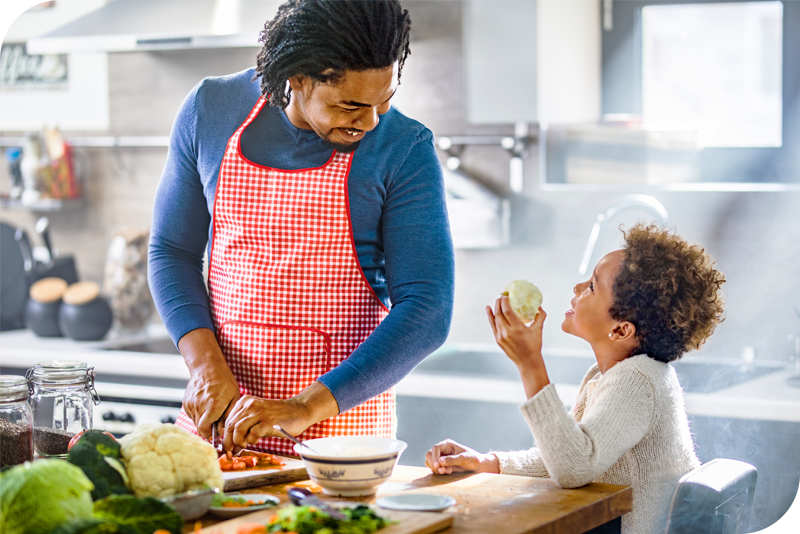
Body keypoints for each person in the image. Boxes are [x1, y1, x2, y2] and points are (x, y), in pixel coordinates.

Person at [148, 0, 454, 455]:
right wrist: (204, 366)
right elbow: (171, 249)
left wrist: (302, 408)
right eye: (350, 105)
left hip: (340, 445)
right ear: (297, 78)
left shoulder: (404, 147)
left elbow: (428, 307)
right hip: (221, 431)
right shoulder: (210, 110)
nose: (370, 122)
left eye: (384, 101)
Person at [425, 224, 725, 533]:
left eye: (592, 286)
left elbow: (574, 467)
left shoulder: (637, 382)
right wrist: (490, 463)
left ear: (621, 330)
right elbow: (568, 456)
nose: (577, 287)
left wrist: (531, 364)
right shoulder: (613, 376)